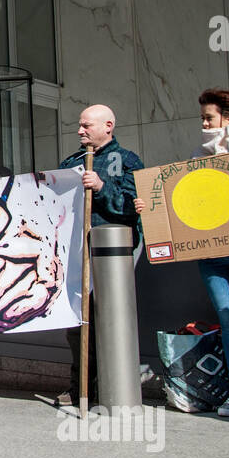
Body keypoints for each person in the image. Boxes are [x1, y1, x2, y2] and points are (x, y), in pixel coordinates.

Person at [138, 90, 229, 419]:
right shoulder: (197, 156)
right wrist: (150, 207)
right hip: (212, 255)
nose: (204, 123)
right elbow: (184, 204)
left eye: (209, 117)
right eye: (203, 118)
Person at [57, 105, 144, 406]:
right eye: (79, 126)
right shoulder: (71, 163)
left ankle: (113, 389)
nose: (80, 131)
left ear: (108, 126)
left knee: (109, 322)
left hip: (111, 257)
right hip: (77, 253)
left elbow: (132, 209)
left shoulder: (129, 161)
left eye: (86, 125)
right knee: (77, 324)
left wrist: (102, 187)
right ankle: (79, 386)